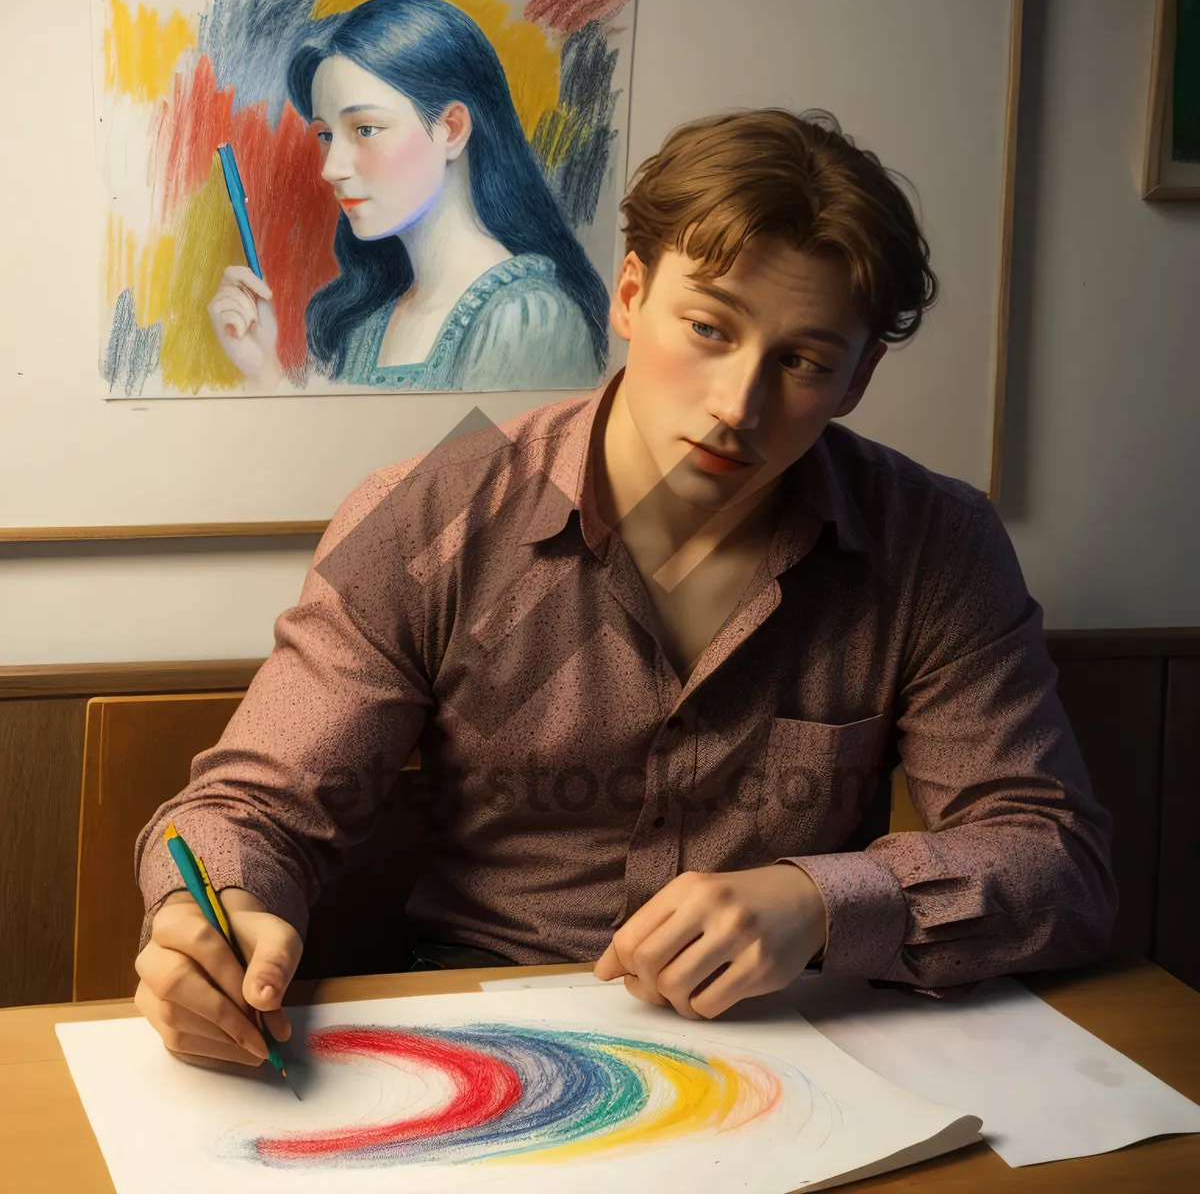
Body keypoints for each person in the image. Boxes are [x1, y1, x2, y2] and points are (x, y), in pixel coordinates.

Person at [135, 107, 1116, 1070]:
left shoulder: (936, 542)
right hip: (487, 1038)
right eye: (707, 326)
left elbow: (1056, 863)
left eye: (805, 362)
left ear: (859, 379)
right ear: (631, 297)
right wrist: (210, 914)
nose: (738, 405)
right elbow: (251, 809)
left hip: (797, 1045)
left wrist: (821, 901)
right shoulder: (426, 518)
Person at [207, 0, 608, 394]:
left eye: (365, 129)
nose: (331, 168)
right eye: (327, 135)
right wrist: (263, 371)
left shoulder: (527, 322)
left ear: (451, 129)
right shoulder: (366, 327)